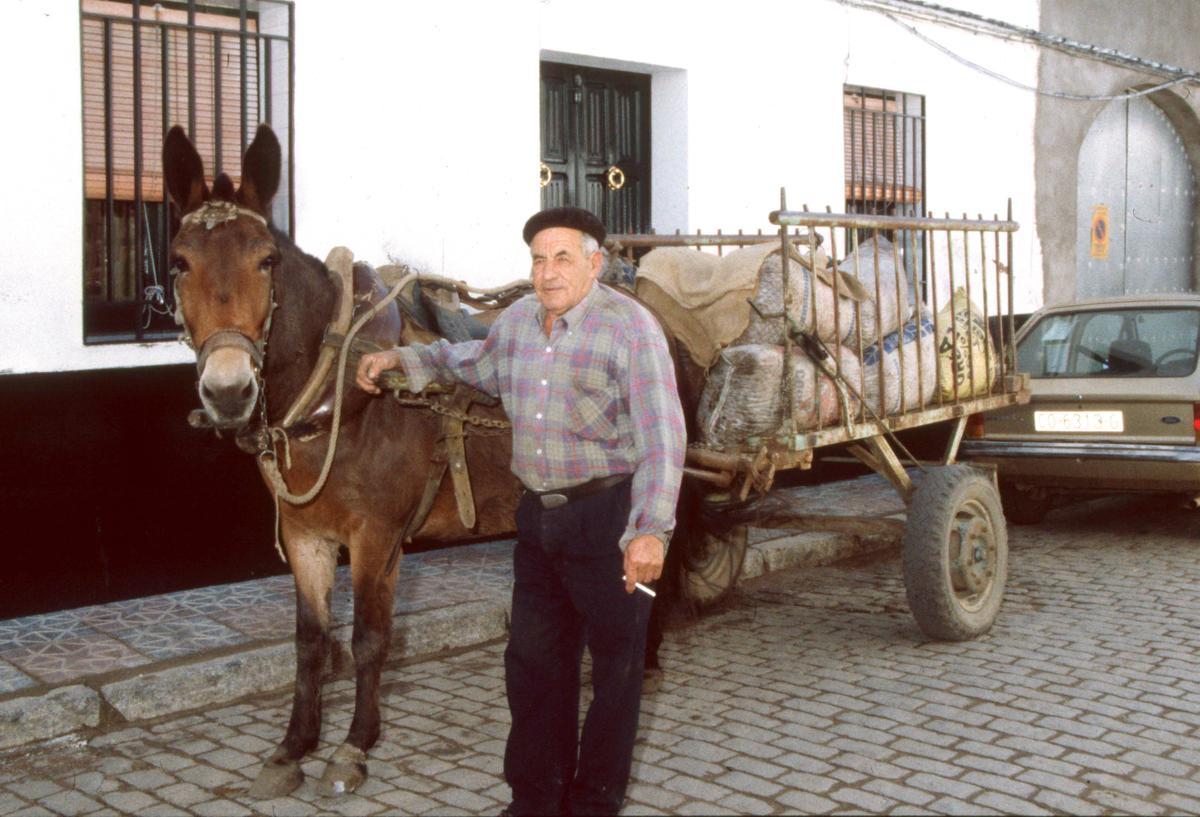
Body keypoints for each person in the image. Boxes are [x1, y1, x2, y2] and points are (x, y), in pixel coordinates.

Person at [356, 207, 686, 816]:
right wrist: (403, 359)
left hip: (609, 518)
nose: (547, 272)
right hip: (537, 521)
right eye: (538, 259)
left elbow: (663, 440)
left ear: (594, 263)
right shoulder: (516, 324)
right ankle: (534, 801)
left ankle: (593, 805)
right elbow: (470, 361)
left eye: (562, 258)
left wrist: (650, 532)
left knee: (615, 674)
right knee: (532, 668)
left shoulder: (631, 328)